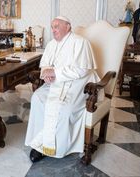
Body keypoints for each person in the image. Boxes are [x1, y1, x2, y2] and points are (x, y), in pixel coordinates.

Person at [25, 16, 102, 162]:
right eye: (52, 27)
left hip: (78, 84)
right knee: (37, 98)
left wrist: (54, 73)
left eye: (57, 26)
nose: (53, 30)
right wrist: (45, 74)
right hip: (55, 84)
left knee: (64, 108)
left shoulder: (80, 42)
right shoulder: (51, 44)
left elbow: (81, 70)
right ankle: (39, 144)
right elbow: (45, 65)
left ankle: (59, 147)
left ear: (67, 26)